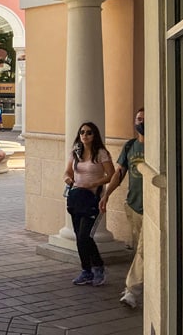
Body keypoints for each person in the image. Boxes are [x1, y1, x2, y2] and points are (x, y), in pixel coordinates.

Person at [100, 107, 145, 308]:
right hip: (134, 206)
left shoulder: (158, 146)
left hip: (152, 209)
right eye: (138, 118)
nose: (141, 122)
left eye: (145, 119)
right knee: (139, 251)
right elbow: (119, 174)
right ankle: (144, 285)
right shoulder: (130, 146)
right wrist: (106, 195)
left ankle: (131, 291)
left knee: (144, 251)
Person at [63, 121, 114, 287]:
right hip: (77, 197)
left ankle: (98, 267)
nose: (85, 135)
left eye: (89, 132)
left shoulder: (101, 153)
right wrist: (68, 179)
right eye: (82, 132)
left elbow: (112, 175)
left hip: (93, 198)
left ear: (95, 135)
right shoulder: (75, 153)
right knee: (79, 237)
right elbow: (68, 171)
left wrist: (93, 184)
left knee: (85, 235)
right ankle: (86, 271)